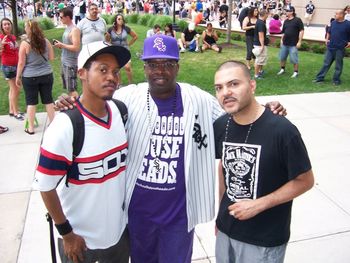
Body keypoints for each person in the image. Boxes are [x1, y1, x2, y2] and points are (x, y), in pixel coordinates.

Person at [56, 35, 286, 263]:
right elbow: (93, 102)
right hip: (138, 214)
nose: (160, 70)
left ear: (177, 67)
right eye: (153, 64)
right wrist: (69, 103)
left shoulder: (198, 99)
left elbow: (237, 113)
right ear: (144, 67)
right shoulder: (127, 98)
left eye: (167, 64)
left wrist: (265, 109)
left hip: (179, 215)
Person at [33, 41, 131, 263]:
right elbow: (45, 186)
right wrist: (66, 234)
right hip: (81, 242)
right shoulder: (65, 126)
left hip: (118, 236)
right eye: (102, 70)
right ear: (82, 73)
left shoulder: (121, 111)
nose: (112, 77)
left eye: (115, 72)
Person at [213, 60, 314, 263]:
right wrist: (220, 214)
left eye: (234, 84)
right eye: (219, 87)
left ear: (252, 85)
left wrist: (258, 205)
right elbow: (224, 167)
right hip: (226, 230)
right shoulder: (221, 125)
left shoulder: (283, 130)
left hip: (264, 239)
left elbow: (305, 180)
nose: (226, 92)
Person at [16, 20, 55, 135]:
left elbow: (21, 63)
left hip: (30, 76)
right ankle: (53, 125)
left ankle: (31, 128)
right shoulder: (46, 41)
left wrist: (18, 76)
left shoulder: (24, 43)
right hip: (47, 74)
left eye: (25, 27)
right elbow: (51, 57)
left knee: (31, 103)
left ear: (28, 29)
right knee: (48, 100)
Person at [313, 9, 350, 86]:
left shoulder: (348, 24)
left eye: (336, 14)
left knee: (338, 66)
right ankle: (319, 78)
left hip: (340, 48)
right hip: (330, 48)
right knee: (326, 64)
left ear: (341, 15)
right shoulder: (333, 22)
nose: (335, 15)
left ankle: (336, 80)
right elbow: (329, 32)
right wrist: (327, 39)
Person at [53, 8, 81, 98]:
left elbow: (76, 47)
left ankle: (78, 109)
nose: (60, 19)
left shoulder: (74, 30)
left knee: (72, 89)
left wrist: (62, 45)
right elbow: (68, 45)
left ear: (68, 17)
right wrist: (61, 45)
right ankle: (74, 107)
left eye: (61, 17)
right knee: (69, 89)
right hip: (65, 61)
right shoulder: (67, 28)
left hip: (70, 63)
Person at [0, 18, 24, 121]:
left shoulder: (12, 37)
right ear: (1, 26)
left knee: (13, 89)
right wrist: (1, 46)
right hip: (8, 66)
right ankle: (15, 112)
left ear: (11, 25)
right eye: (4, 24)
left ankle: (11, 110)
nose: (7, 26)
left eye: (8, 24)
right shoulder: (1, 37)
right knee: (16, 89)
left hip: (16, 65)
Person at [105, 14, 138, 85]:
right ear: (115, 20)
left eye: (121, 19)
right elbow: (107, 41)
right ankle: (119, 83)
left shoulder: (126, 28)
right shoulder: (111, 29)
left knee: (127, 67)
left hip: (125, 50)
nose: (120, 20)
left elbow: (135, 36)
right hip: (115, 51)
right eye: (119, 19)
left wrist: (129, 44)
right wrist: (108, 37)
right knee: (117, 69)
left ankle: (130, 84)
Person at [277, 6, 304, 78]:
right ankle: (282, 69)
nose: (286, 12)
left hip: (293, 44)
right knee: (282, 57)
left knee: (294, 59)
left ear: (292, 12)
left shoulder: (297, 20)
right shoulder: (286, 21)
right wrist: (281, 40)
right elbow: (283, 32)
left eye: (287, 11)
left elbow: (301, 31)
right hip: (285, 43)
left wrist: (299, 41)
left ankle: (296, 72)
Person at [252, 9, 269, 79]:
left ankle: (259, 72)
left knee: (261, 59)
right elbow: (261, 35)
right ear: (264, 14)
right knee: (258, 60)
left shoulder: (259, 22)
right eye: (267, 14)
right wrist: (262, 45)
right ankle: (256, 75)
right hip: (259, 44)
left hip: (258, 43)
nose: (268, 16)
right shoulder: (261, 23)